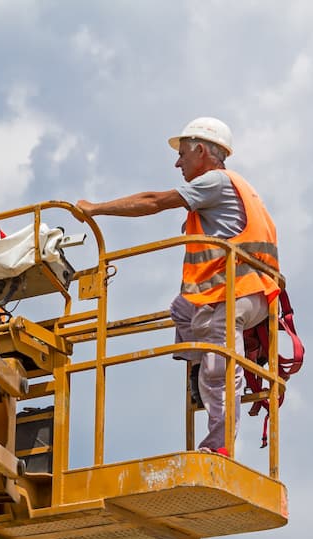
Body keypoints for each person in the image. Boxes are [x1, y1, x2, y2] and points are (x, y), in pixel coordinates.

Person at [76, 117, 279, 457]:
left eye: (183, 154)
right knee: (181, 309)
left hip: (241, 291)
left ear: (202, 151)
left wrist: (95, 209)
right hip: (241, 290)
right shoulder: (235, 186)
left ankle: (220, 445)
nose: (177, 162)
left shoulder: (214, 181)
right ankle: (198, 369)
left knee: (220, 366)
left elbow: (155, 200)